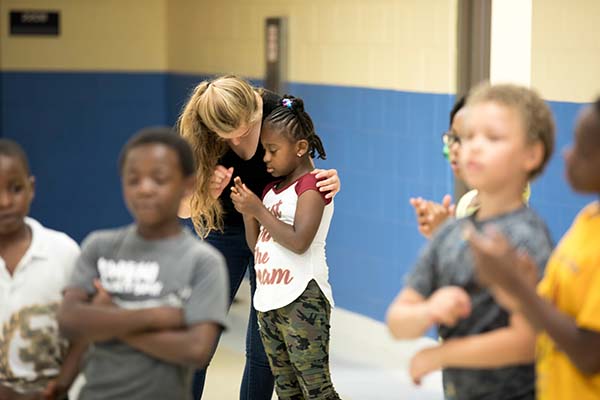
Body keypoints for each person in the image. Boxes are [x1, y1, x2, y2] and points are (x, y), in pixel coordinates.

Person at [386, 83, 555, 399]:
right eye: (466, 137)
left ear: (531, 154)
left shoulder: (527, 237)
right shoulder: (451, 233)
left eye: (492, 138)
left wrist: (441, 355)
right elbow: (397, 320)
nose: (473, 147)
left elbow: (526, 341)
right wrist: (429, 311)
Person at [177, 75, 341, 399]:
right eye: (229, 136)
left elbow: (306, 165)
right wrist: (203, 193)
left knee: (263, 347)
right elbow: (181, 209)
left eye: (246, 128)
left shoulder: (276, 111)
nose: (240, 139)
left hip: (272, 231)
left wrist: (329, 179)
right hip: (224, 229)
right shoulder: (200, 131)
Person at [57, 128, 229, 400]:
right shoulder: (99, 247)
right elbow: (69, 321)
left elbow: (196, 350)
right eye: (133, 180)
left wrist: (107, 316)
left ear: (188, 185)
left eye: (159, 179)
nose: (145, 189)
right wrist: (156, 316)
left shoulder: (203, 262)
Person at [467, 98, 600, 399]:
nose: (568, 154)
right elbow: (556, 312)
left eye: (582, 149)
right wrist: (527, 284)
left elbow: (590, 354)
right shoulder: (588, 219)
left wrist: (517, 287)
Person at [230, 95, 341, 400]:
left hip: (302, 298)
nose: (265, 158)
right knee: (287, 389)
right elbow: (257, 246)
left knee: (315, 387)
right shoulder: (271, 190)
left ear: (300, 148)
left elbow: (298, 241)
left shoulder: (312, 185)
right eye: (264, 149)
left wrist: (258, 209)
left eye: (273, 150)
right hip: (270, 301)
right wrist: (247, 210)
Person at [0, 139, 83, 400]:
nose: (4, 201)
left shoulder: (63, 252)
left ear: (31, 188)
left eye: (15, 189)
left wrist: (61, 383)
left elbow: (84, 334)